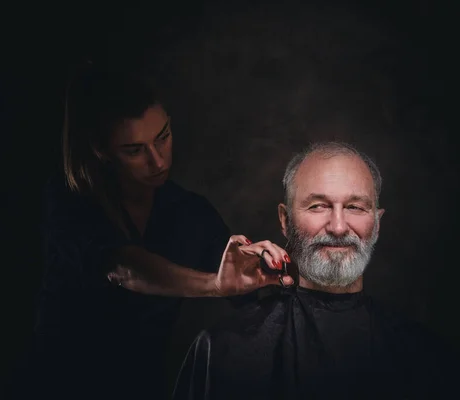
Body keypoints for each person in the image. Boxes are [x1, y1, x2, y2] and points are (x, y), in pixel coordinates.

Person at [16, 61, 293, 400]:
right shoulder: (69, 200)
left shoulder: (191, 212)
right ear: (100, 150)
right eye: (134, 150)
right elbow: (123, 267)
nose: (158, 160)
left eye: (163, 137)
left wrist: (280, 270)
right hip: (54, 387)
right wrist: (214, 285)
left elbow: (251, 293)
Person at [171, 141, 460, 400]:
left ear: (377, 223)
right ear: (285, 220)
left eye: (355, 207)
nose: (339, 227)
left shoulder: (428, 358)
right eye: (318, 206)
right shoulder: (223, 352)